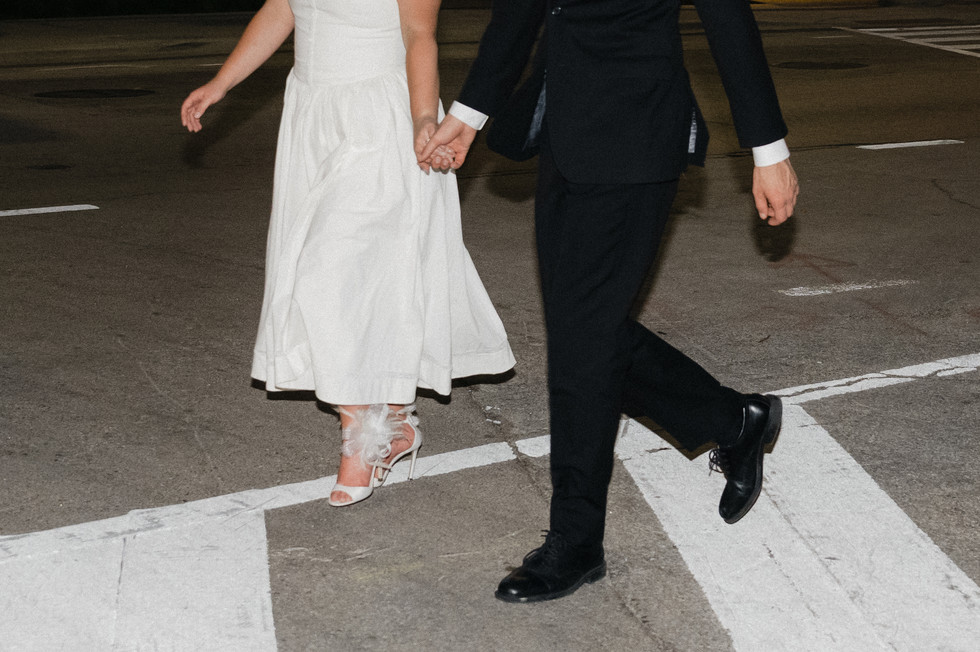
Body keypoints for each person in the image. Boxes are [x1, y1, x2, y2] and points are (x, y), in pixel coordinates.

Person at [419, 0, 800, 602]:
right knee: (584, 337)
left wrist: (769, 149)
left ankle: (576, 542)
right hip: (564, 129)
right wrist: (469, 112)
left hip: (638, 132)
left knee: (583, 346)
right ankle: (733, 420)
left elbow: (729, 19)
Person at [181, 0, 514, 507]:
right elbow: (282, 8)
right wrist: (222, 82)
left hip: (380, 118)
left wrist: (423, 117)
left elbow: (419, 34)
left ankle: (364, 439)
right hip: (314, 114)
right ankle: (392, 423)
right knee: (363, 276)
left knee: (328, 270)